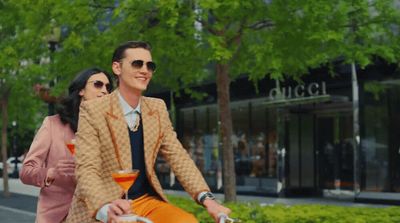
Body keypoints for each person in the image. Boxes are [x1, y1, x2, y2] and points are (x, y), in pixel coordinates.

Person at [66, 41, 230, 223]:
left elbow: (179, 157)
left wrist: (208, 200)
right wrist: (105, 208)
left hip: (145, 201)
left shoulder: (157, 108)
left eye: (150, 66)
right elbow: (87, 168)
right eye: (137, 64)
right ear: (117, 68)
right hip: (105, 204)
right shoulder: (93, 109)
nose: (145, 70)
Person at [20, 67, 113, 223]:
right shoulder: (52, 125)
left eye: (108, 87)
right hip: (57, 217)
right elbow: (26, 172)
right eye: (98, 84)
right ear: (81, 90)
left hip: (96, 216)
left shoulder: (110, 130)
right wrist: (50, 173)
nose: (105, 90)